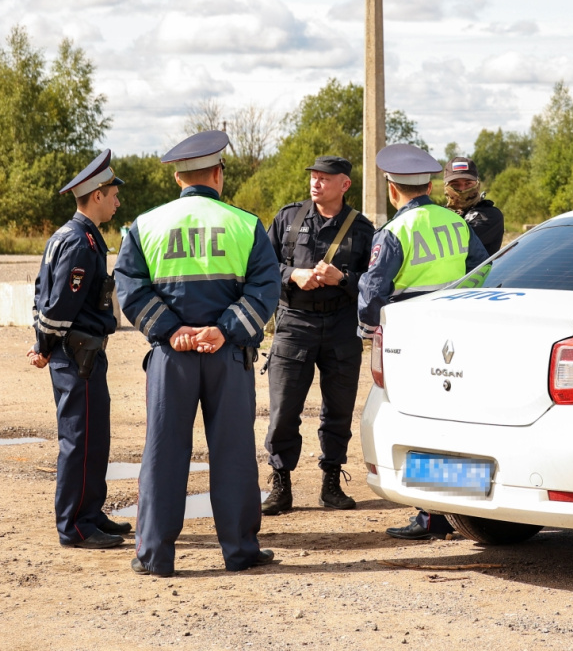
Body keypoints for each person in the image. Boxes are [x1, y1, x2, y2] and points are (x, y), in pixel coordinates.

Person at [114, 130, 281, 577]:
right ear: (218, 173)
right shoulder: (246, 224)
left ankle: (154, 555)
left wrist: (172, 331)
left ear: (177, 177)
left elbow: (129, 288)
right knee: (234, 453)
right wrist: (224, 331)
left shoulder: (145, 225)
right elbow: (265, 289)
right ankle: (240, 551)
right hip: (228, 355)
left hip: (172, 358)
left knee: (163, 452)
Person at [357, 144, 488, 542]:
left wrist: (369, 332)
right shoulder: (456, 223)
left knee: (420, 426)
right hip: (456, 336)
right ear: (430, 186)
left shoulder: (394, 232)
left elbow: (372, 293)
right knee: (455, 422)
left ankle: (431, 515)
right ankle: (459, 508)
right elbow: (483, 273)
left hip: (412, 341)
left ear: (391, 189)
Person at [260, 156, 375, 515]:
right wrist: (293, 275)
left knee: (338, 410)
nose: (316, 183)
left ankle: (331, 483)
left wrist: (342, 278)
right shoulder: (288, 218)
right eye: (313, 176)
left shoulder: (362, 229)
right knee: (283, 409)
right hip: (294, 323)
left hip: (341, 325)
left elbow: (373, 282)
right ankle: (281, 484)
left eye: (325, 178)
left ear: (345, 184)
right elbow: (262, 265)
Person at [29, 150, 128, 550]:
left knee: (93, 438)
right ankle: (75, 526)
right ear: (96, 195)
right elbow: (58, 306)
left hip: (79, 354)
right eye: (113, 195)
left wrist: (42, 343)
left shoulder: (69, 235)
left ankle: (90, 512)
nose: (118, 201)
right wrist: (44, 345)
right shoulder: (80, 243)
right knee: (80, 441)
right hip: (77, 356)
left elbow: (40, 293)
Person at [443, 157, 504, 256]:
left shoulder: (489, 215)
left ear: (477, 184)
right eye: (455, 185)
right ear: (446, 187)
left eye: (468, 183)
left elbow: (457, 240)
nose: (462, 189)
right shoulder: (440, 213)